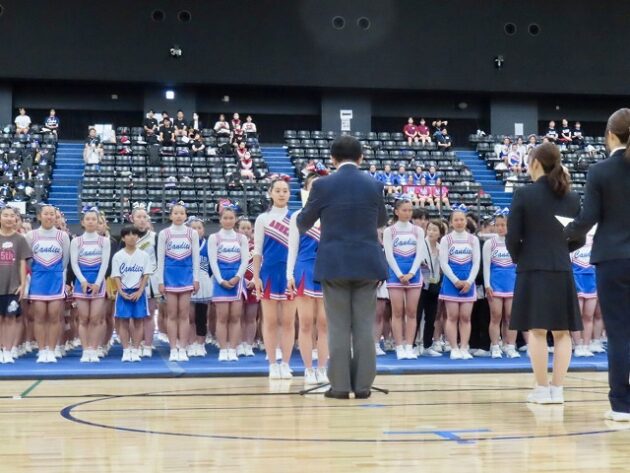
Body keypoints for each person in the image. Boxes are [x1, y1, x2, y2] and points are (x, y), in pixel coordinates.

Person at [298, 135, 388, 399]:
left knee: (337, 327)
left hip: (334, 263)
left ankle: (339, 386)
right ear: (361, 158)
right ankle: (362, 386)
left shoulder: (322, 185)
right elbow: (381, 220)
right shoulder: (375, 184)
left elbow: (303, 222)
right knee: (364, 327)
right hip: (367, 262)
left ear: (332, 159)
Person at [565, 108, 630, 421]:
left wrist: (561, 234)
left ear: (610, 135)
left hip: (613, 258)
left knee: (618, 332)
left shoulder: (600, 171)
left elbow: (587, 219)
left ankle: (622, 404)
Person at [507, 142, 584, 405]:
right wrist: (561, 250)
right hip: (561, 268)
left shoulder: (524, 194)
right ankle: (557, 390)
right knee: (563, 332)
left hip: (532, 268)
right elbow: (580, 237)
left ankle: (542, 390)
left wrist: (521, 257)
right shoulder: (572, 197)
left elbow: (512, 236)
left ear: (536, 163)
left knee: (537, 331)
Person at [287, 174, 329, 385]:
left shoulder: (332, 215)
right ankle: (308, 369)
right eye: (313, 186)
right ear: (306, 189)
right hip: (304, 270)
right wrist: (289, 274)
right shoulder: (298, 216)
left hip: (327, 271)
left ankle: (322, 368)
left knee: (324, 324)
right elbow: (292, 249)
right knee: (305, 323)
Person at [252, 178, 296, 379]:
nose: (281, 194)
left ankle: (285, 363)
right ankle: (272, 363)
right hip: (268, 274)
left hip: (289, 276)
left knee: (288, 322)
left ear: (289, 194)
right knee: (269, 322)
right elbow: (257, 251)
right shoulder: (263, 219)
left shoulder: (296, 218)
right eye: (277, 190)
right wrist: (256, 276)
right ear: (270, 193)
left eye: (285, 190)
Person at [25, 205, 70, 363]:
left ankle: (51, 350)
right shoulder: (31, 235)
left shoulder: (62, 236)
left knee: (54, 316)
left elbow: (65, 261)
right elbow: (28, 260)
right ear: (39, 216)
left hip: (55, 279)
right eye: (46, 214)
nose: (49, 216)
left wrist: (57, 273)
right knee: (39, 316)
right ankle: (42, 349)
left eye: (52, 214)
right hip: (38, 279)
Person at [383, 198, 426, 360]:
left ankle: (409, 346)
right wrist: (400, 274)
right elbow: (389, 255)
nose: (408, 213)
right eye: (404, 210)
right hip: (396, 275)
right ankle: (399, 346)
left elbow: (420, 253)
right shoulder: (389, 231)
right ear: (396, 211)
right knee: (397, 312)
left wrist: (412, 273)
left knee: (412, 312)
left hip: (413, 275)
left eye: (410, 210)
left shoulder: (418, 231)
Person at [157, 203, 200, 362]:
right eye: (175, 213)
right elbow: (160, 259)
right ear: (170, 215)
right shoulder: (164, 233)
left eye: (182, 213)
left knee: (184, 314)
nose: (179, 216)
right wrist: (160, 281)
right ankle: (173, 348)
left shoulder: (192, 233)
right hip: (169, 277)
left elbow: (196, 258)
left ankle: (183, 347)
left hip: (186, 277)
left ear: (186, 216)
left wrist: (196, 278)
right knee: (172, 314)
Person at [439, 205, 480, 360]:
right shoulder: (446, 239)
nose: (459, 222)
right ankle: (454, 348)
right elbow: (444, 263)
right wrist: (455, 280)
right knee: (452, 316)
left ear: (466, 221)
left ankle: (464, 347)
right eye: (456, 220)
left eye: (462, 219)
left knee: (465, 317)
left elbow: (476, 263)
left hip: (468, 282)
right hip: (451, 283)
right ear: (451, 222)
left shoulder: (473, 240)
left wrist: (469, 281)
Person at [70, 209, 111, 363]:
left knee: (95, 318)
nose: (91, 222)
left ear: (98, 221)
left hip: (98, 282)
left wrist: (98, 283)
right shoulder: (76, 241)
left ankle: (94, 348)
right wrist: (82, 281)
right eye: (88, 219)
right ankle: (85, 349)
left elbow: (105, 264)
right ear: (82, 222)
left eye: (94, 219)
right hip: (81, 282)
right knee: (83, 318)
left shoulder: (104, 241)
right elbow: (74, 263)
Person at [209, 207, 248, 362]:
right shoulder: (214, 238)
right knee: (222, 317)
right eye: (225, 218)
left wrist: (237, 277)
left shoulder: (241, 238)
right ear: (220, 220)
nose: (228, 221)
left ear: (235, 219)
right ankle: (223, 348)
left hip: (236, 280)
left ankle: (232, 348)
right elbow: (213, 261)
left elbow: (245, 260)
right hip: (221, 280)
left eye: (231, 218)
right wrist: (220, 280)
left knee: (235, 317)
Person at [111, 226, 152, 362]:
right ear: (123, 238)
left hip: (138, 293)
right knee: (123, 322)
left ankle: (135, 349)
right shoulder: (118, 256)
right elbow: (116, 275)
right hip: (123, 292)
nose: (131, 237)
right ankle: (126, 350)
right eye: (128, 235)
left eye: (134, 234)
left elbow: (146, 275)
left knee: (139, 321)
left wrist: (140, 291)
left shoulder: (144, 255)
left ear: (138, 237)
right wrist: (121, 292)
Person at [483, 211, 519, 359]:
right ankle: (495, 346)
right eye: (497, 225)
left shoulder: (515, 242)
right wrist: (487, 284)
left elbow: (519, 265)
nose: (500, 228)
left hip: (511, 284)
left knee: (511, 317)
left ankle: (510, 346)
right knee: (496, 316)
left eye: (503, 225)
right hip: (495, 285)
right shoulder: (489, 244)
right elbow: (486, 266)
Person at [0, 207, 31, 364]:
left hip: (13, 286)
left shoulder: (20, 239)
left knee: (11, 318)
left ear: (16, 219)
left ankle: (8, 350)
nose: (9, 218)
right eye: (5, 215)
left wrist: (22, 284)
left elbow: (22, 263)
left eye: (12, 216)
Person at [131, 206, 160, 357]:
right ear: (132, 219)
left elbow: (159, 259)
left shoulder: (155, 237)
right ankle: (136, 344)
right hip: (132, 280)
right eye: (139, 217)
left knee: (149, 314)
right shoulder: (127, 237)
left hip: (151, 280)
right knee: (135, 315)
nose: (142, 220)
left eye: (144, 217)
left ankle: (148, 345)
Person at [416, 219, 443, 356]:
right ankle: (414, 344)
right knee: (417, 315)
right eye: (429, 229)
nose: (431, 232)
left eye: (434, 230)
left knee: (431, 316)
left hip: (434, 284)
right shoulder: (421, 244)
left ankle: (427, 345)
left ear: (440, 233)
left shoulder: (440, 247)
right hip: (421, 283)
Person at [570, 229, 597, 358]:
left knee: (589, 316)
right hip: (576, 280)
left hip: (592, 281)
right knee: (577, 316)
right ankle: (577, 345)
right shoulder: (573, 238)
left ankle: (586, 345)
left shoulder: (596, 237)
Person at [187, 217, 212, 357]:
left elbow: (212, 267)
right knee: (189, 316)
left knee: (202, 316)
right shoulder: (184, 245)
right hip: (188, 282)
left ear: (203, 230)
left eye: (199, 228)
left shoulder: (209, 245)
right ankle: (191, 343)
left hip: (204, 283)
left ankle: (201, 344)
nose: (196, 231)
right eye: (193, 228)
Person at [236, 218, 257, 357]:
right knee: (238, 316)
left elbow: (262, 265)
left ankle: (249, 345)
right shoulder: (234, 246)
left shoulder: (257, 246)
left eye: (248, 228)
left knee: (251, 317)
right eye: (243, 228)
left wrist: (255, 279)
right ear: (237, 229)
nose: (245, 231)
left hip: (254, 284)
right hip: (238, 283)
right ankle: (239, 344)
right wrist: (241, 279)